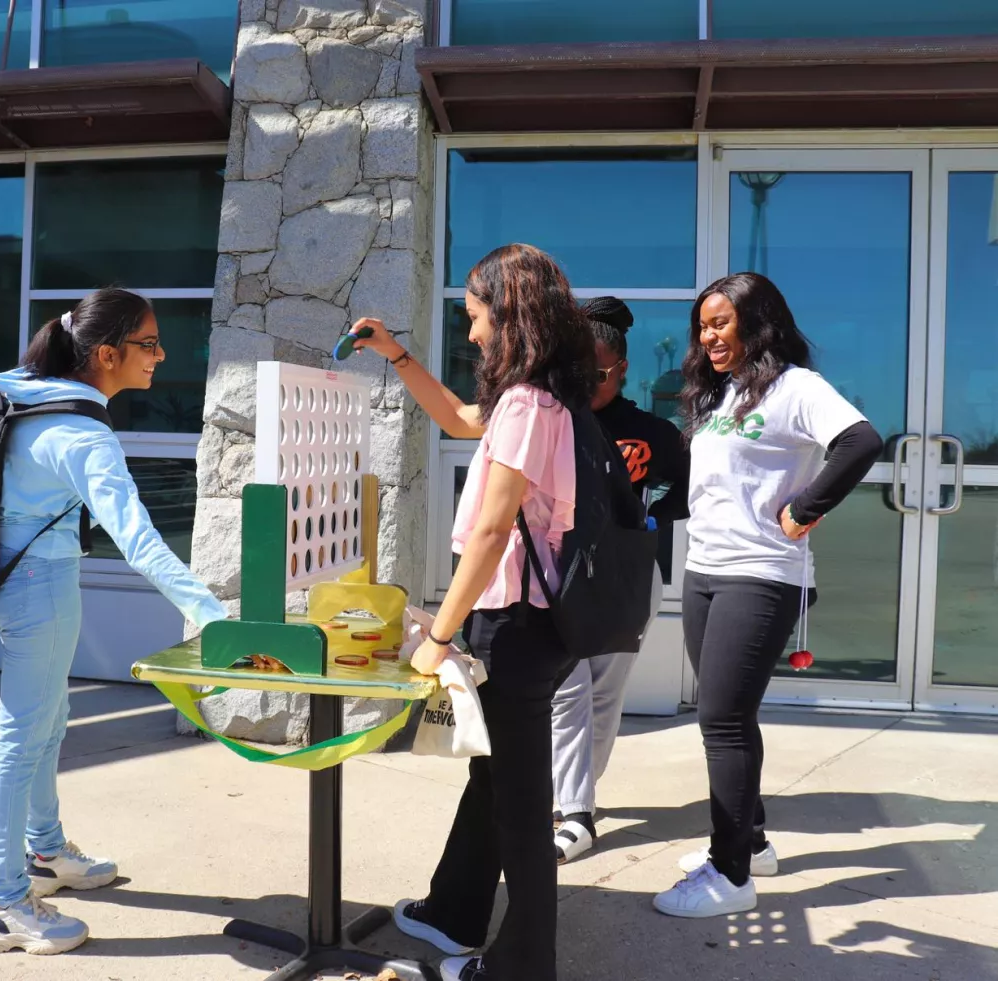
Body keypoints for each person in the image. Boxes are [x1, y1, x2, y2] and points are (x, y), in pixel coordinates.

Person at [349, 243, 594, 981]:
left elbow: (492, 531)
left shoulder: (526, 404)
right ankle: (453, 912)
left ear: (510, 313)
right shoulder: (545, 397)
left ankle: (521, 969)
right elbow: (459, 418)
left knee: (521, 812)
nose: (473, 332)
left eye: (477, 316)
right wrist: (396, 355)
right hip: (535, 626)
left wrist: (441, 635)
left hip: (513, 628)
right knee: (493, 780)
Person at [0, 288, 228, 955]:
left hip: (18, 580)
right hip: (37, 587)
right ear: (106, 354)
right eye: (149, 343)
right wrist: (207, 610)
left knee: (45, 722)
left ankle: (45, 853)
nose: (161, 355)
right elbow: (137, 540)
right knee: (22, 737)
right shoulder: (82, 435)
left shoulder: (33, 396)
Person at [653, 272, 882, 918]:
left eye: (721, 322)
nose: (708, 335)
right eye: (704, 324)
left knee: (719, 720)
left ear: (758, 323)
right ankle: (750, 843)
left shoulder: (795, 388)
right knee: (733, 714)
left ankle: (729, 876)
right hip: (706, 570)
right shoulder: (720, 396)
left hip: (763, 573)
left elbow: (861, 441)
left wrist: (807, 506)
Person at [550, 296, 690, 864]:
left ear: (624, 368)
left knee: (606, 694)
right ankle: (574, 809)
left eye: (601, 373)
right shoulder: (553, 417)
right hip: (563, 573)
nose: (590, 383)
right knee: (567, 687)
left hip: (628, 576)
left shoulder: (652, 431)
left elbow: (682, 494)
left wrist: (648, 515)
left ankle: (575, 795)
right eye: (581, 371)